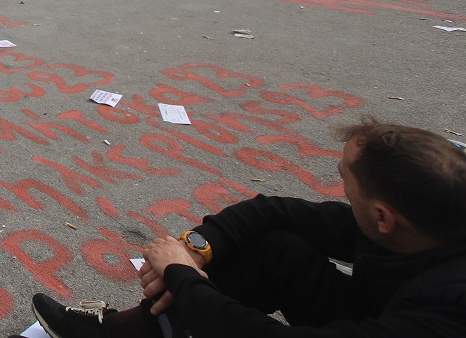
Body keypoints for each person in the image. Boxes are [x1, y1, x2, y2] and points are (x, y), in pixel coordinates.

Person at [27, 119, 466, 338]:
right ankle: (134, 332)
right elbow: (276, 211)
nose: (341, 193)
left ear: (384, 218)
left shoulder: (443, 312)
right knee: (277, 249)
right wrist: (197, 248)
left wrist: (181, 273)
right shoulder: (427, 219)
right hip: (377, 308)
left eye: (346, 185)